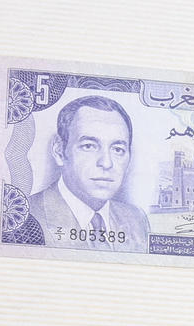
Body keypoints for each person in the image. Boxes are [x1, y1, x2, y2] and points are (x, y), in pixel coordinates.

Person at [28, 95, 150, 251]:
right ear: (59, 151)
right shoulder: (25, 217)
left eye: (118, 149)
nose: (106, 163)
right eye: (89, 146)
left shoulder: (137, 220)